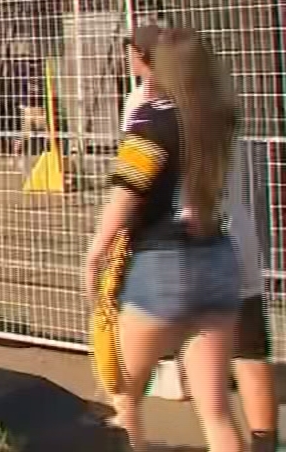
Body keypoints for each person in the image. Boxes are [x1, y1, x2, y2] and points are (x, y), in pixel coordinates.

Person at [84, 27, 243, 452]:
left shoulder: (151, 124)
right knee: (215, 410)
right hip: (219, 260)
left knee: (123, 396)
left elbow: (126, 192)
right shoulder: (221, 119)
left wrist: (96, 251)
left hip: (160, 264)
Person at [118, 28, 276, 451]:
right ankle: (265, 439)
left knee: (122, 387)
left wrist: (103, 247)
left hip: (169, 252)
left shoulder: (150, 113)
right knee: (229, 384)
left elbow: (130, 186)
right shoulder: (223, 110)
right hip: (226, 246)